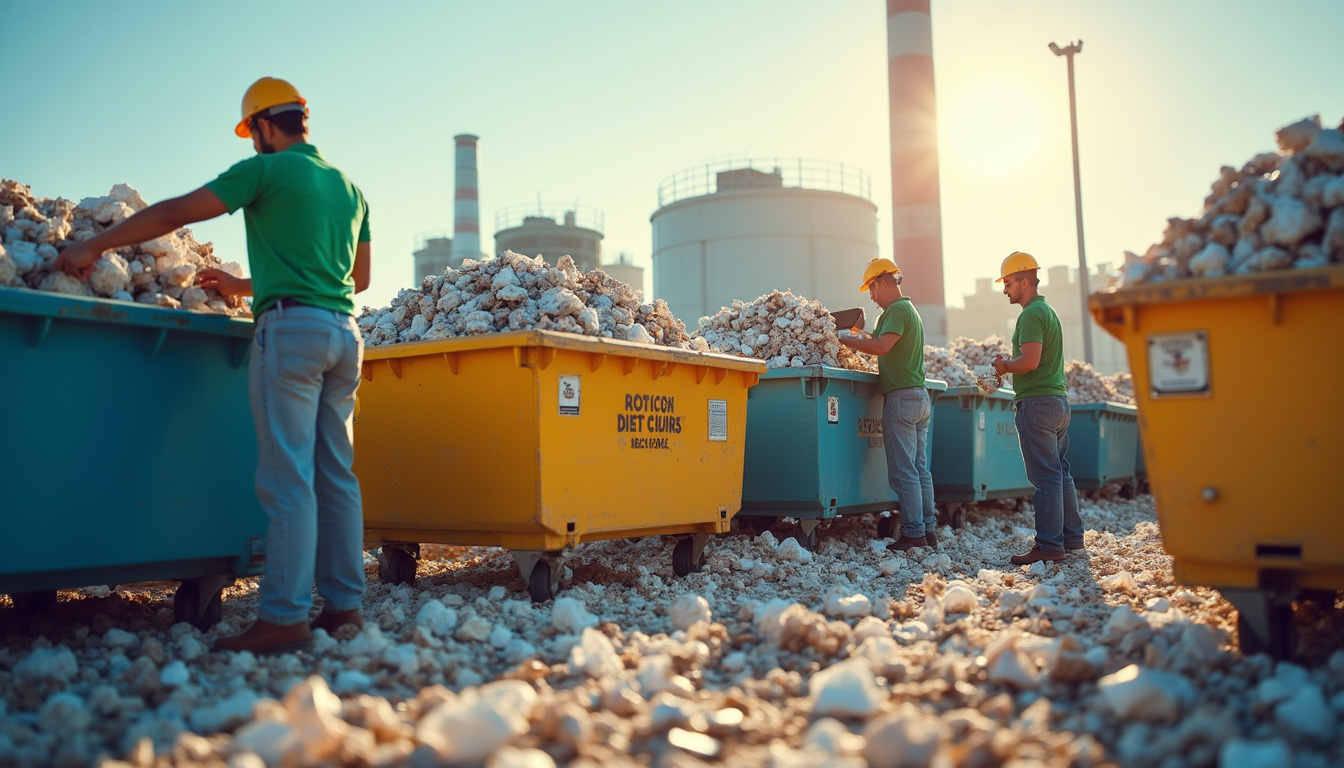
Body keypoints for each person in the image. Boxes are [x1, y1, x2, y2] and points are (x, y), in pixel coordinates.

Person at [56, 77, 372, 653]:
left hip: (292, 333)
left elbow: (179, 212)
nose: (253, 140)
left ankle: (283, 617)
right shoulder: (349, 188)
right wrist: (242, 284)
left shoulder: (265, 171)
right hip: (344, 335)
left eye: (253, 131)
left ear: (264, 126)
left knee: (288, 479)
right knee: (337, 477)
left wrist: (96, 247)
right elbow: (358, 279)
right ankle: (345, 608)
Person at [991, 251, 1084, 565]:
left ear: (1024, 281)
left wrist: (1004, 367)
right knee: (1060, 473)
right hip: (1057, 401)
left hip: (1037, 403)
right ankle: (1072, 540)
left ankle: (1048, 545)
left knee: (1045, 477)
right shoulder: (1049, 312)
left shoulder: (1030, 315)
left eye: (1008, 283)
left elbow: (1029, 362)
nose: (1005, 290)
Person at [839, 258, 935, 552]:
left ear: (882, 282)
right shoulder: (909, 310)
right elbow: (881, 342)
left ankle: (913, 534)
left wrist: (843, 340)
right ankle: (928, 531)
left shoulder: (895, 311)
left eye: (870, 288)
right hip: (919, 397)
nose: (870, 296)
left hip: (902, 398)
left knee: (903, 471)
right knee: (920, 470)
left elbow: (881, 348)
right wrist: (859, 336)